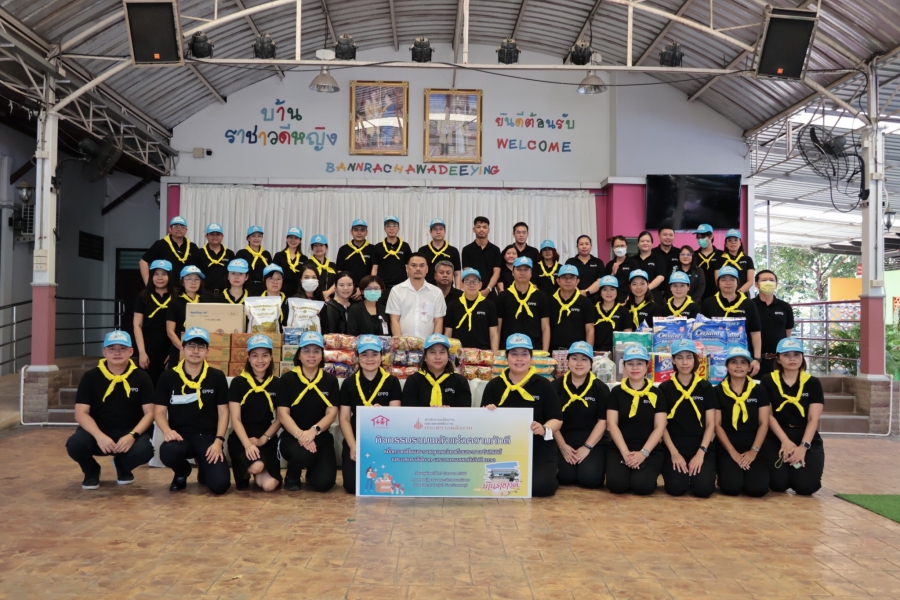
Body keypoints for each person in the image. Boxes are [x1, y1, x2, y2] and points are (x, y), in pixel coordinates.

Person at [66, 330, 155, 489]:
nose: (117, 353)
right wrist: (99, 436)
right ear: (104, 352)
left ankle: (122, 465)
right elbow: (81, 413)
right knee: (75, 444)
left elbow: (150, 413)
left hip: (129, 431)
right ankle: (91, 470)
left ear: (131, 351)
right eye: (112, 349)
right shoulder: (91, 377)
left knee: (145, 451)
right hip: (97, 432)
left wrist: (132, 435)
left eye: (122, 348)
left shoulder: (141, 377)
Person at [481, 334, 562, 497]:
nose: (519, 359)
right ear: (507, 358)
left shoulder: (544, 385)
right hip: (504, 448)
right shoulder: (494, 385)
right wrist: (487, 412)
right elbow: (482, 422)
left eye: (524, 354)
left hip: (538, 447)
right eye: (514, 354)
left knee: (540, 488)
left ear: (531, 358)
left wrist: (544, 428)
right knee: (500, 486)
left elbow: (557, 420)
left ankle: (549, 471)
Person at [154, 327, 231, 494]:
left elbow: (224, 412)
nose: (196, 351)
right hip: (180, 437)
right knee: (168, 452)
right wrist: (167, 431)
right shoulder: (168, 377)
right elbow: (159, 411)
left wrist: (218, 441)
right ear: (182, 349)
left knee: (220, 485)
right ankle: (182, 471)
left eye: (201, 347)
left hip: (208, 438)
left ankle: (203, 466)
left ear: (207, 351)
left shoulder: (217, 376)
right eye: (191, 346)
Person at [338, 335, 402, 493]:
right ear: (358, 357)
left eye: (374, 354)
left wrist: (383, 413)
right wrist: (353, 446)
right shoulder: (349, 383)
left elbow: (396, 416)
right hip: (356, 439)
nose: (370, 359)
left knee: (386, 483)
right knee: (353, 487)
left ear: (381, 356)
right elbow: (344, 418)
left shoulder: (392, 382)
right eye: (364, 354)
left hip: (385, 441)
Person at [760, 338, 824, 496]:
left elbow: (813, 419)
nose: (792, 359)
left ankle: (798, 469)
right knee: (778, 484)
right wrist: (785, 441)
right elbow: (768, 415)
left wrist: (803, 447)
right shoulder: (768, 380)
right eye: (786, 355)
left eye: (796, 354)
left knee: (806, 487)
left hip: (804, 435)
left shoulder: (813, 383)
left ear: (802, 358)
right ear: (778, 359)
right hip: (777, 435)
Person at [277, 331, 340, 492]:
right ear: (299, 355)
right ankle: (292, 474)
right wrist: (301, 435)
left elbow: (332, 414)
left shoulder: (330, 381)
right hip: (293, 436)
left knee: (323, 484)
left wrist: (314, 431)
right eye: (306, 351)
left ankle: (313, 472)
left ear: (321, 355)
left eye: (316, 351)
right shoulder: (287, 380)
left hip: (320, 435)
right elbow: (283, 414)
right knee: (303, 453)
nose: (311, 355)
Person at [605, 345, 667, 495]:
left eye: (639, 363)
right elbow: (612, 424)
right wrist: (626, 453)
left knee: (642, 486)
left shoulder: (656, 393)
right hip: (620, 448)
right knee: (617, 486)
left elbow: (660, 427)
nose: (635, 368)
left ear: (647, 366)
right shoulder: (616, 392)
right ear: (624, 366)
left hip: (649, 449)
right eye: (630, 363)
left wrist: (643, 453)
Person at [658, 340, 717, 497]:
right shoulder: (664, 388)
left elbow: (711, 424)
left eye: (689, 357)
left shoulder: (705, 387)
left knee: (703, 489)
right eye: (680, 357)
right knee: (676, 488)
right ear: (673, 360)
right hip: (674, 446)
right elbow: (662, 425)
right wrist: (674, 453)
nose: (685, 362)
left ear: (695, 359)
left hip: (701, 445)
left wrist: (701, 453)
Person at [227, 334, 282, 492]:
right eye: (255, 355)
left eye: (265, 355)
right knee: (256, 466)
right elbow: (235, 419)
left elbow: (280, 419)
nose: (260, 360)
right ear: (248, 357)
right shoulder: (238, 383)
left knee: (270, 486)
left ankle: (258, 470)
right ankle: (247, 471)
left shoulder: (277, 383)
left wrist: (263, 439)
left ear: (271, 357)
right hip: (242, 438)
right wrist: (248, 444)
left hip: (266, 437)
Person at [714, 346, 771, 497]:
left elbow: (764, 423)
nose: (738, 366)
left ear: (749, 367)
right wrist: (733, 453)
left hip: (753, 444)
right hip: (727, 446)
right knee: (732, 488)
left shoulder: (759, 390)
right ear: (727, 366)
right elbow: (717, 425)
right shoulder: (718, 391)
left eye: (743, 362)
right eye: (734, 362)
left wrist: (754, 451)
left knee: (757, 490)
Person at [553, 342, 609, 489]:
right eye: (574, 358)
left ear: (591, 363)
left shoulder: (600, 388)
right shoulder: (555, 387)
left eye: (584, 359)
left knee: (590, 479)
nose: (579, 363)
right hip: (563, 441)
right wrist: (562, 446)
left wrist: (587, 447)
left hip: (593, 442)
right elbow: (552, 419)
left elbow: (603, 421)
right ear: (567, 362)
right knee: (564, 477)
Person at [701, 266, 763, 376]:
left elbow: (755, 332)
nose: (728, 282)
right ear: (718, 283)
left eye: (732, 279)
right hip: (714, 360)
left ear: (737, 282)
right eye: (723, 279)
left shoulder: (749, 304)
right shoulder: (708, 303)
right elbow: (701, 333)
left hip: (741, 359)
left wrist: (757, 359)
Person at [401, 334, 472, 407]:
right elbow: (409, 411)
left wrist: (449, 412)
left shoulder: (460, 382)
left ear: (448, 356)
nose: (438, 357)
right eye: (433, 352)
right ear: (425, 357)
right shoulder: (413, 381)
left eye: (442, 352)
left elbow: (464, 412)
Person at [386, 253, 446, 338]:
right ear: (407, 268)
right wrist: (400, 343)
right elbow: (394, 320)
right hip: (404, 343)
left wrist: (434, 342)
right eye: (414, 265)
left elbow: (438, 321)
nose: (418, 269)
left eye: (422, 266)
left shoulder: (436, 292)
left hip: (428, 344)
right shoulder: (396, 290)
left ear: (427, 269)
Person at [133, 259, 173, 384]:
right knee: (148, 385)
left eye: (164, 274)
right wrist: (142, 352)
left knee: (168, 385)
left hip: (169, 348)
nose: (160, 278)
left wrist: (174, 352)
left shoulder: (176, 296)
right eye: (156, 274)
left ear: (170, 276)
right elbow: (137, 325)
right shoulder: (143, 296)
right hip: (148, 348)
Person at [497, 257, 551, 351]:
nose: (522, 273)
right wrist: (496, 352)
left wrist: (545, 352)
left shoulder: (541, 296)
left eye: (526, 270)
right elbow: (497, 328)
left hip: (535, 349)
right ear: (513, 272)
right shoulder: (503, 296)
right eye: (519, 269)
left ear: (531, 273)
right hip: (508, 348)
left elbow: (545, 327)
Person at [444, 268, 499, 352]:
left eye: (475, 281)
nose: (472, 285)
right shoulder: (453, 305)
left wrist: (494, 355)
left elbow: (493, 334)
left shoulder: (489, 305)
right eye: (467, 281)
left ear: (480, 285)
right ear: (462, 285)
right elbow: (448, 333)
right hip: (458, 353)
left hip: (483, 353)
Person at [752, 270, 795, 376]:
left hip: (778, 360)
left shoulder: (785, 306)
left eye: (771, 280)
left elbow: (787, 332)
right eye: (764, 280)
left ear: (776, 284)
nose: (768, 283)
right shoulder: (750, 305)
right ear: (756, 284)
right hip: (755, 360)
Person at [166, 265, 205, 369]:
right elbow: (170, 331)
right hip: (179, 347)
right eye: (189, 279)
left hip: (200, 349)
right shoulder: (175, 303)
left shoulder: (205, 301)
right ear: (182, 282)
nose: (193, 282)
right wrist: (183, 349)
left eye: (197, 279)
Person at [139, 216, 199, 285]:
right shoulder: (160, 244)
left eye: (182, 227)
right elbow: (143, 262)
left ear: (186, 230)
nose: (179, 229)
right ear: (170, 229)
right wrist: (148, 284)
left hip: (186, 287)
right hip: (166, 287)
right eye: (175, 226)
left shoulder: (192, 246)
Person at [549, 264, 595, 350]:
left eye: (572, 278)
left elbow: (589, 330)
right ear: (558, 281)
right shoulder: (550, 301)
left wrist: (588, 352)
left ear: (577, 281)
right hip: (554, 350)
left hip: (578, 350)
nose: (568, 281)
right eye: (564, 278)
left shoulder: (585, 302)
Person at [461, 216, 502, 299]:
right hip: (472, 291)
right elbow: (467, 272)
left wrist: (488, 289)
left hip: (490, 291)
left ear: (489, 230)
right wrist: (475, 289)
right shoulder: (467, 250)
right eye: (478, 227)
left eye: (484, 227)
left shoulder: (495, 250)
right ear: (474, 229)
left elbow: (497, 273)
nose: (481, 229)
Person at [372, 216, 412, 297]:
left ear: (398, 228)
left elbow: (410, 267)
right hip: (383, 287)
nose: (391, 228)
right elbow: (374, 269)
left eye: (394, 225)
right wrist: (374, 286)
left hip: (401, 286)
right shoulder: (378, 247)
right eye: (388, 226)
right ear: (384, 229)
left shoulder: (405, 246)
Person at [419, 218, 461, 287]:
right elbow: (420, 272)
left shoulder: (453, 251)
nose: (438, 232)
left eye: (441, 229)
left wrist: (457, 291)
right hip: (427, 288)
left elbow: (457, 274)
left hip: (447, 289)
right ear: (430, 232)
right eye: (435, 229)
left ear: (445, 231)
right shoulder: (423, 250)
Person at [336, 219, 374, 291]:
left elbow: (374, 271)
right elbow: (339, 271)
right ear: (351, 232)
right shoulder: (343, 249)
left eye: (362, 230)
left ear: (366, 232)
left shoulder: (372, 249)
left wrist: (364, 288)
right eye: (356, 230)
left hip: (367, 288)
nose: (359, 233)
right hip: (347, 289)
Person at [235, 225, 272, 296]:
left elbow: (270, 272)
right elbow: (238, 272)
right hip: (246, 288)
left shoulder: (266, 254)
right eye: (253, 236)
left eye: (259, 236)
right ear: (248, 238)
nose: (256, 238)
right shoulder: (242, 253)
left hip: (264, 288)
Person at [593, 275, 626, 353]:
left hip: (617, 352)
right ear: (600, 292)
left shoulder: (623, 311)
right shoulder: (593, 310)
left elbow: (627, 332)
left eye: (612, 289)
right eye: (605, 289)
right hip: (596, 352)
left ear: (617, 291)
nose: (609, 293)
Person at [198, 223, 234, 295]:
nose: (215, 237)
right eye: (212, 234)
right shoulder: (199, 253)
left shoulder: (229, 254)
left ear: (222, 236)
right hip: (204, 293)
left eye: (218, 234)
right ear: (206, 236)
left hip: (225, 294)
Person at [272, 227, 307, 297]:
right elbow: (273, 274)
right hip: (280, 292)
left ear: (300, 241)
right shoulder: (279, 256)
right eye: (291, 237)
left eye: (296, 238)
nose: (293, 240)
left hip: (299, 293)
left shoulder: (304, 258)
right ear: (286, 239)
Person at [717, 229, 755, 293]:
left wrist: (738, 293)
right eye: (730, 240)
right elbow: (717, 280)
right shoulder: (719, 259)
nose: (733, 242)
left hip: (743, 293)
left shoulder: (748, 259)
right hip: (725, 293)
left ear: (740, 243)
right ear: (726, 244)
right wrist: (729, 293)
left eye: (736, 240)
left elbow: (750, 281)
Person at [633, 231, 666, 298]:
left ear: (652, 244)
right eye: (642, 241)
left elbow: (661, 277)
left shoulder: (658, 258)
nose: (645, 243)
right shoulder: (632, 260)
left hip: (654, 295)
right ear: (638, 244)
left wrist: (646, 289)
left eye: (648, 241)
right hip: (635, 295)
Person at [693, 224, 720, 300]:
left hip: (716, 296)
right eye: (698, 238)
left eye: (703, 237)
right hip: (697, 297)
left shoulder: (721, 255)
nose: (700, 240)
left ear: (711, 236)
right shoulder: (693, 255)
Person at [308, 234, 338, 299]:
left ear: (326, 247)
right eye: (315, 246)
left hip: (329, 300)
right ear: (312, 248)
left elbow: (337, 282)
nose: (318, 248)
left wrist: (328, 293)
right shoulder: (308, 264)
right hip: (311, 299)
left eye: (321, 245)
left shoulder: (332, 265)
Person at [260, 264, 289, 329]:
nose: (275, 282)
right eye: (271, 278)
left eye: (278, 279)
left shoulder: (288, 302)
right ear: (264, 280)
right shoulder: (256, 302)